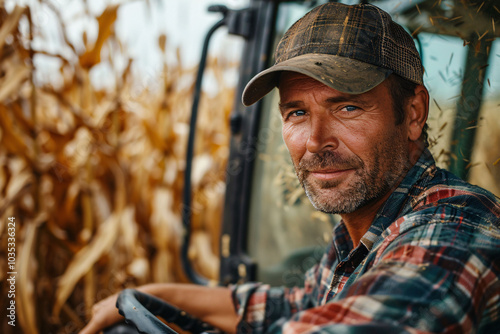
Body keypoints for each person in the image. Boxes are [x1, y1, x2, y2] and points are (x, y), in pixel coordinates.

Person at [81, 2, 500, 334]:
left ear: (413, 113)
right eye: (297, 113)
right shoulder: (359, 236)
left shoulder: (457, 227)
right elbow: (293, 307)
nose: (315, 141)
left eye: (348, 107)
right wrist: (149, 296)